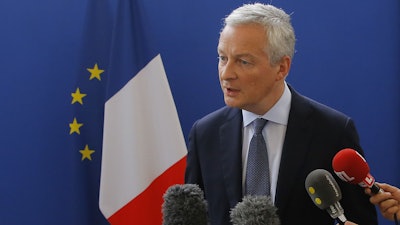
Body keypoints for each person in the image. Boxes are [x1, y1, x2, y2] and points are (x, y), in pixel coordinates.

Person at [184, 3, 377, 225]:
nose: (226, 74)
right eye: (222, 58)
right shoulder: (204, 133)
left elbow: (360, 219)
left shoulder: (332, 131)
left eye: (243, 61)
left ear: (282, 68)